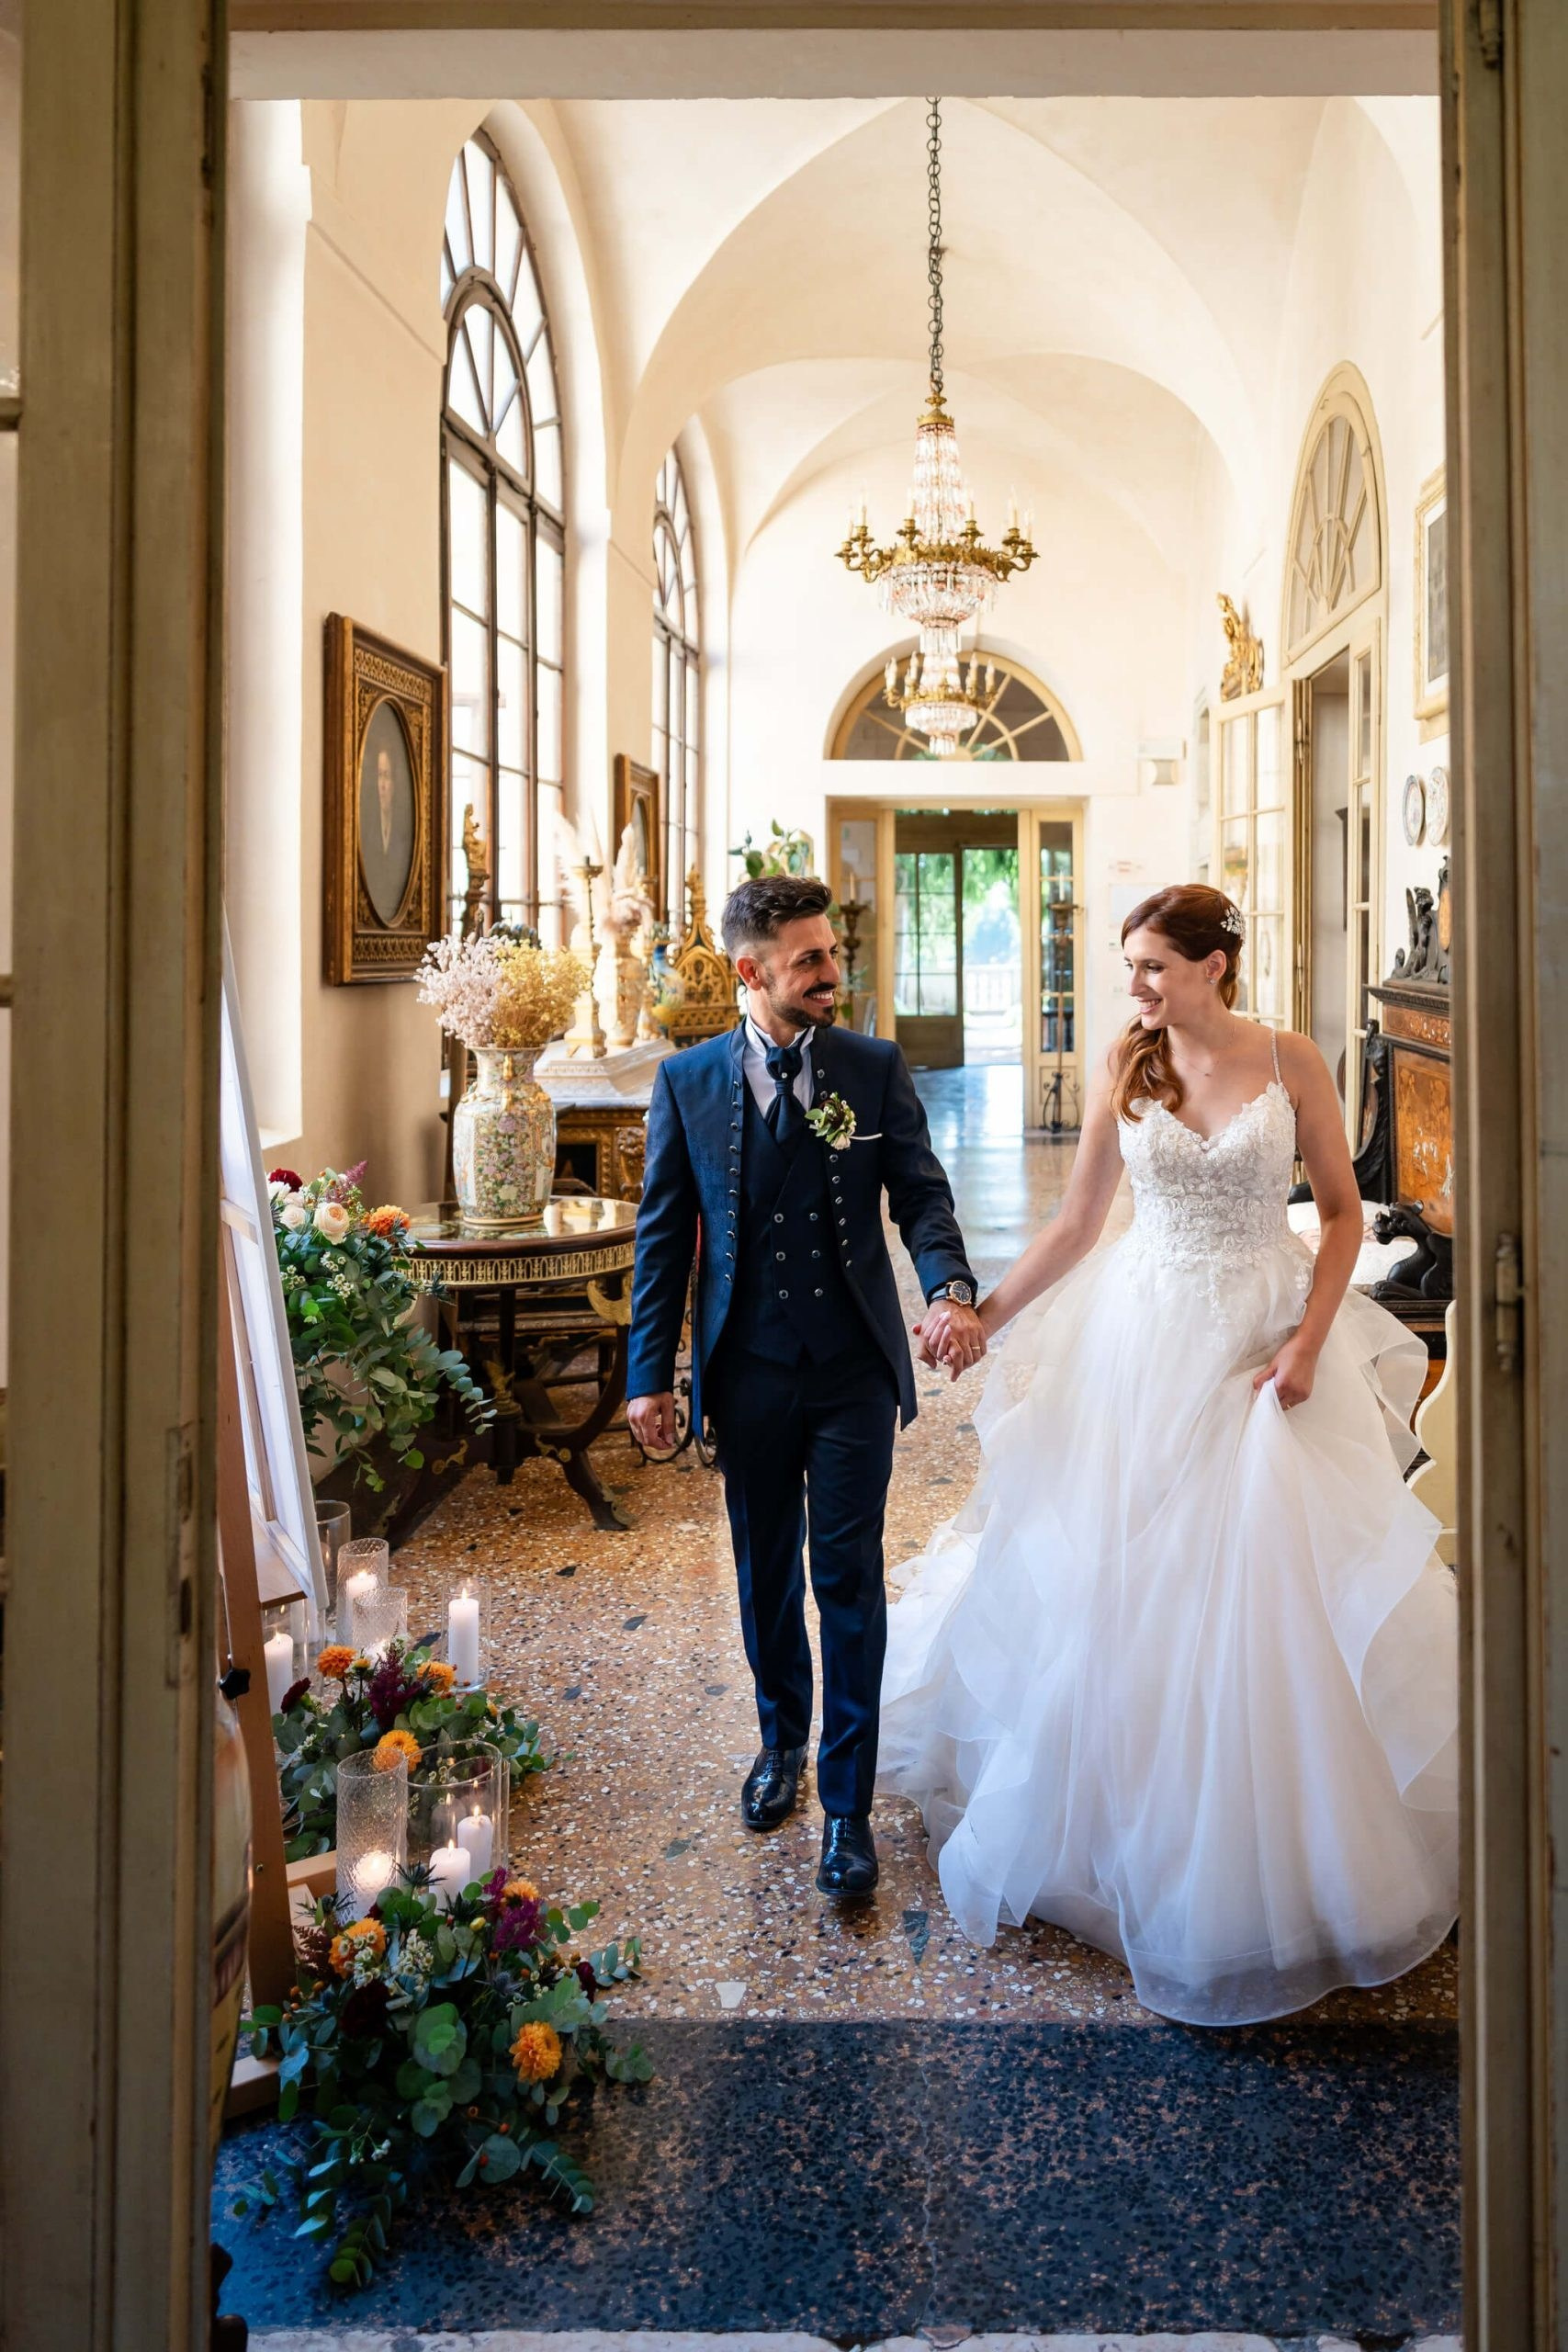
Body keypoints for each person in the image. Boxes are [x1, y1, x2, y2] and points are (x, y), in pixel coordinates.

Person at [879, 882, 1459, 2025]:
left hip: (1258, 1342)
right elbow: (1077, 1222)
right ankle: (1112, 1825)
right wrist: (983, 1317)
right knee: (1117, 1575)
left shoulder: (1293, 1062)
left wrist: (1303, 1345)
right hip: (1140, 1342)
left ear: (1215, 964)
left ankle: (1273, 1857)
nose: (1135, 987)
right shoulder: (1125, 1064)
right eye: (1129, 966)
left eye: (1152, 966)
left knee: (1264, 1588)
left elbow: (1340, 1215)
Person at [626, 873, 985, 1900]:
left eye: (833, 954)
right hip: (746, 1373)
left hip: (850, 1373)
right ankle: (779, 1743)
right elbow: (661, 1242)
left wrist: (950, 1288)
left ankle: (848, 1807)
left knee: (849, 1580)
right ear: (752, 972)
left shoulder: (870, 1068)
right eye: (811, 961)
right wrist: (651, 1373)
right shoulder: (688, 1082)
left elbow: (920, 1194)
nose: (835, 973)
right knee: (765, 1574)